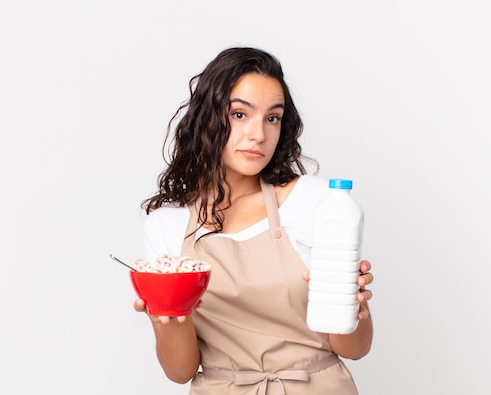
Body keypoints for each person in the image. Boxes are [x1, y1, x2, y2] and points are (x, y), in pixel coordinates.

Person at [134, 47, 374, 394]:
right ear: (208, 117)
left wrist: (355, 303)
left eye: (272, 118)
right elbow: (180, 369)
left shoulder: (316, 201)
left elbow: (355, 348)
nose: (259, 135)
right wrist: (170, 316)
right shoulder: (167, 226)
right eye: (240, 115)